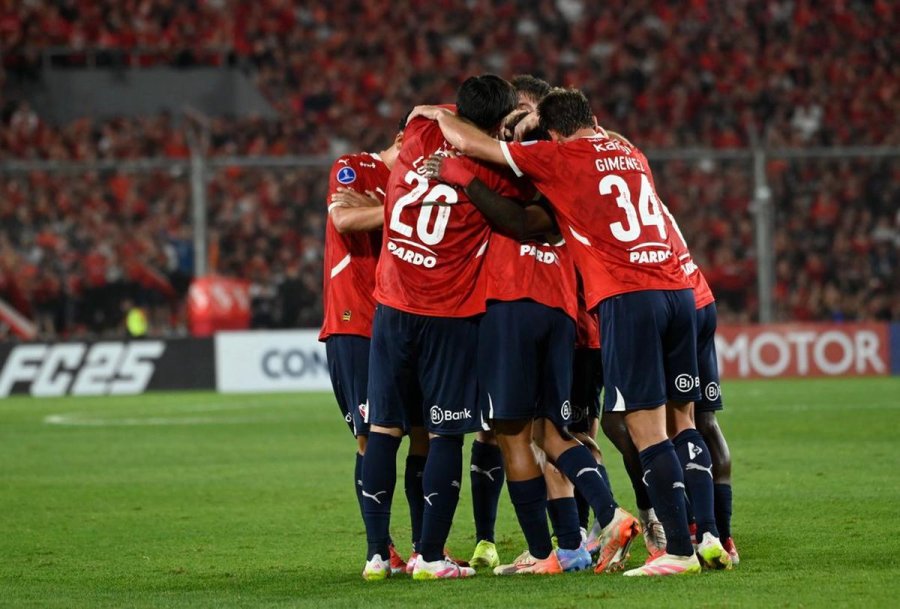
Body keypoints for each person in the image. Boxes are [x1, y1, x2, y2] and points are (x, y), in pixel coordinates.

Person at [412, 87, 732, 576]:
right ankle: (706, 533)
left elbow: (475, 147)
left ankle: (675, 550)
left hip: (628, 295)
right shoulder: (630, 152)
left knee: (641, 429)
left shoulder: (561, 157)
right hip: (679, 290)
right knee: (681, 420)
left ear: (554, 134)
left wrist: (437, 115)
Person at [359, 75, 533, 581]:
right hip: (449, 315)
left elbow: (424, 110)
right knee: (445, 433)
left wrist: (437, 113)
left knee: (383, 430)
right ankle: (431, 556)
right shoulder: (493, 169)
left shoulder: (419, 133)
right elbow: (523, 210)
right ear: (498, 124)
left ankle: (376, 555)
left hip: (391, 306)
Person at [318, 122, 427, 576]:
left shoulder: (418, 183)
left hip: (405, 321)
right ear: (402, 141)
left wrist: (380, 208)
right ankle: (379, 551)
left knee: (423, 432)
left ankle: (426, 548)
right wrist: (402, 206)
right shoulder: (354, 166)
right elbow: (344, 219)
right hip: (356, 322)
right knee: (372, 436)